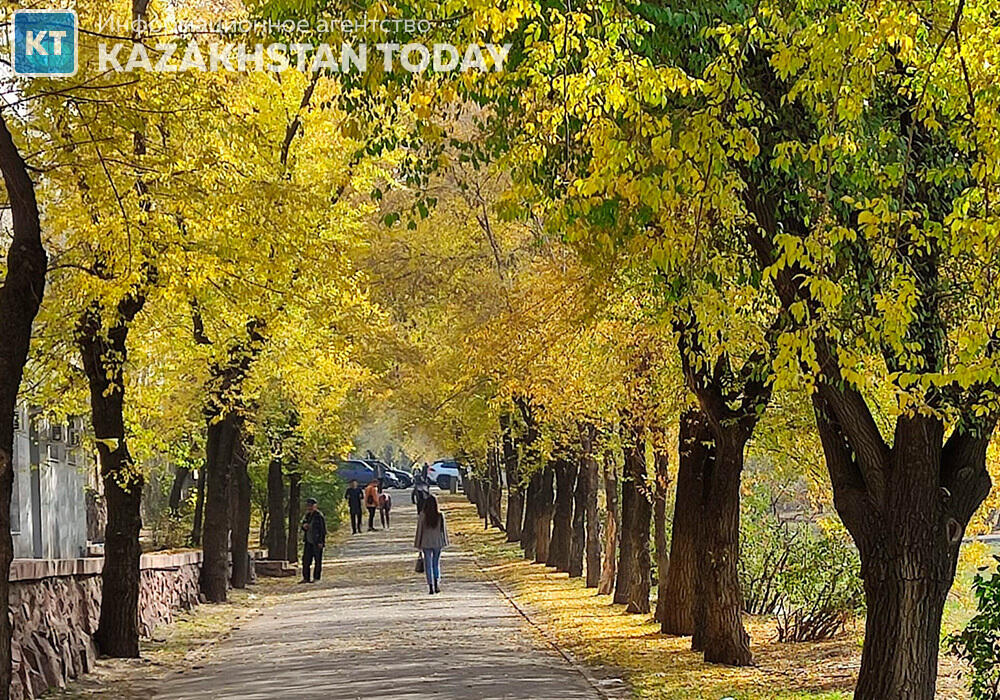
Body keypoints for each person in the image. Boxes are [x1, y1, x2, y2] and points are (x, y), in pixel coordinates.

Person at [414, 495, 449, 594]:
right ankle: (436, 583)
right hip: (438, 542)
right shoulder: (440, 515)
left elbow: (419, 530)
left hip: (426, 542)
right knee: (436, 563)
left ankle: (430, 586)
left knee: (428, 564)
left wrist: (418, 544)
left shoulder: (423, 515)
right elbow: (443, 530)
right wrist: (445, 542)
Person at [300, 498, 326, 583]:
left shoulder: (319, 516)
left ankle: (316, 577)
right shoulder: (307, 516)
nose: (310, 507)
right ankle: (306, 577)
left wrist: (321, 541)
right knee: (306, 560)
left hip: (316, 541)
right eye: (308, 505)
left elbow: (323, 530)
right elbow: (302, 526)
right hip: (308, 541)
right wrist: (304, 526)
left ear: (315, 506)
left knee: (318, 560)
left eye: (311, 505)